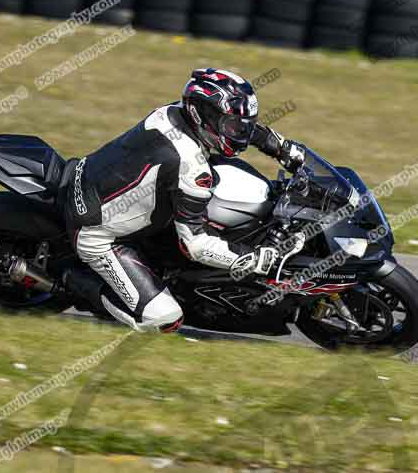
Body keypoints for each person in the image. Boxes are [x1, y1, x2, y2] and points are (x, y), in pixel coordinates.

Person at [63, 68, 306, 332]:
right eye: (233, 126)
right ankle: (71, 280)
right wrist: (255, 260)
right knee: (163, 319)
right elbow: (196, 246)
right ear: (203, 116)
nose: (239, 134)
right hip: (95, 233)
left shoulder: (171, 113)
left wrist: (278, 147)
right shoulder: (190, 164)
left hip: (90, 178)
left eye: (242, 126)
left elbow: (241, 127)